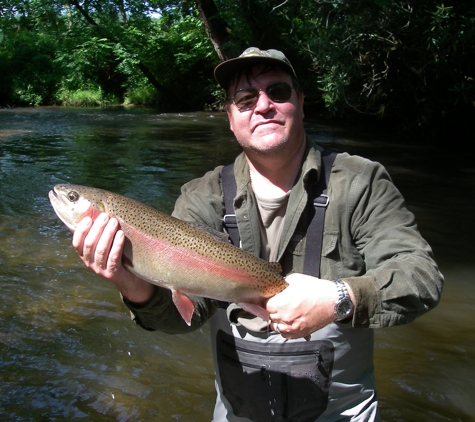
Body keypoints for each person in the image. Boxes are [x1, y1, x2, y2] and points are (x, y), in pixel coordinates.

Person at [72, 47, 444, 421]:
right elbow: (183, 316)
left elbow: (420, 277)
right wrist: (129, 280)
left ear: (300, 102)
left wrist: (338, 299)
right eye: (245, 99)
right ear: (230, 119)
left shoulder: (361, 182)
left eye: (278, 92)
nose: (263, 106)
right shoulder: (203, 197)